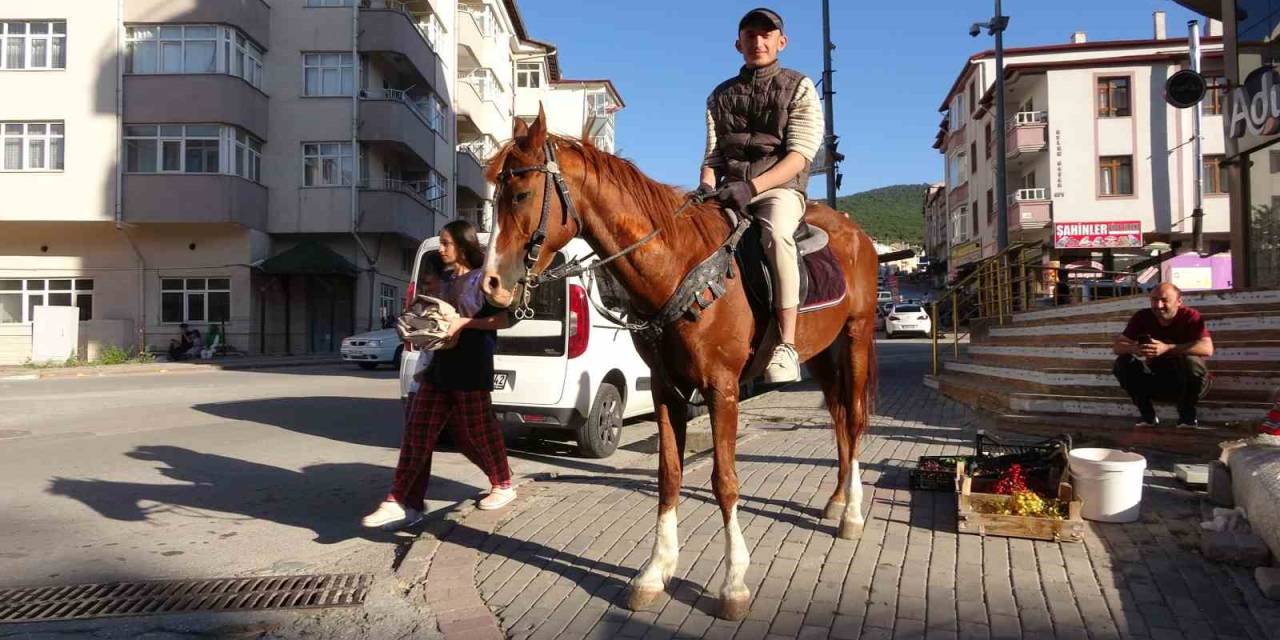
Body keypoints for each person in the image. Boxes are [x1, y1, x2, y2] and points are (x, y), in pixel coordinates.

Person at [695, 6, 823, 383]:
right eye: (750, 35)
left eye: (767, 34)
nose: (758, 41)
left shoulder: (799, 85)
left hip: (778, 189)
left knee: (776, 235)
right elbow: (713, 155)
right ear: (738, 44)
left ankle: (786, 343)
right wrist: (704, 186)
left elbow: (800, 156)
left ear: (781, 42)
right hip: (729, 189)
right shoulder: (719, 96)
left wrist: (752, 187)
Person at [363, 220, 516, 531]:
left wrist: (464, 323)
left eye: (447, 243)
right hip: (437, 368)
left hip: (471, 367)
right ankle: (400, 502)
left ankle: (503, 483)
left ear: (463, 245)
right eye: (442, 243)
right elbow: (433, 323)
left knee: (477, 433)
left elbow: (505, 320)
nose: (442, 249)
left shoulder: (483, 280)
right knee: (417, 435)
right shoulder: (443, 280)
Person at [1112, 283, 1214, 428]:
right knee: (1123, 362)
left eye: (1164, 300)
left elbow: (1207, 348)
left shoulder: (1190, 316)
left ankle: (1187, 418)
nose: (1158, 305)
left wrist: (1167, 348)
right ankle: (1148, 417)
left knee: (1191, 361)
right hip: (1158, 379)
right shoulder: (1142, 317)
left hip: (1190, 383)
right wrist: (1136, 348)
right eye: (1154, 300)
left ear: (1179, 301)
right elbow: (1117, 346)